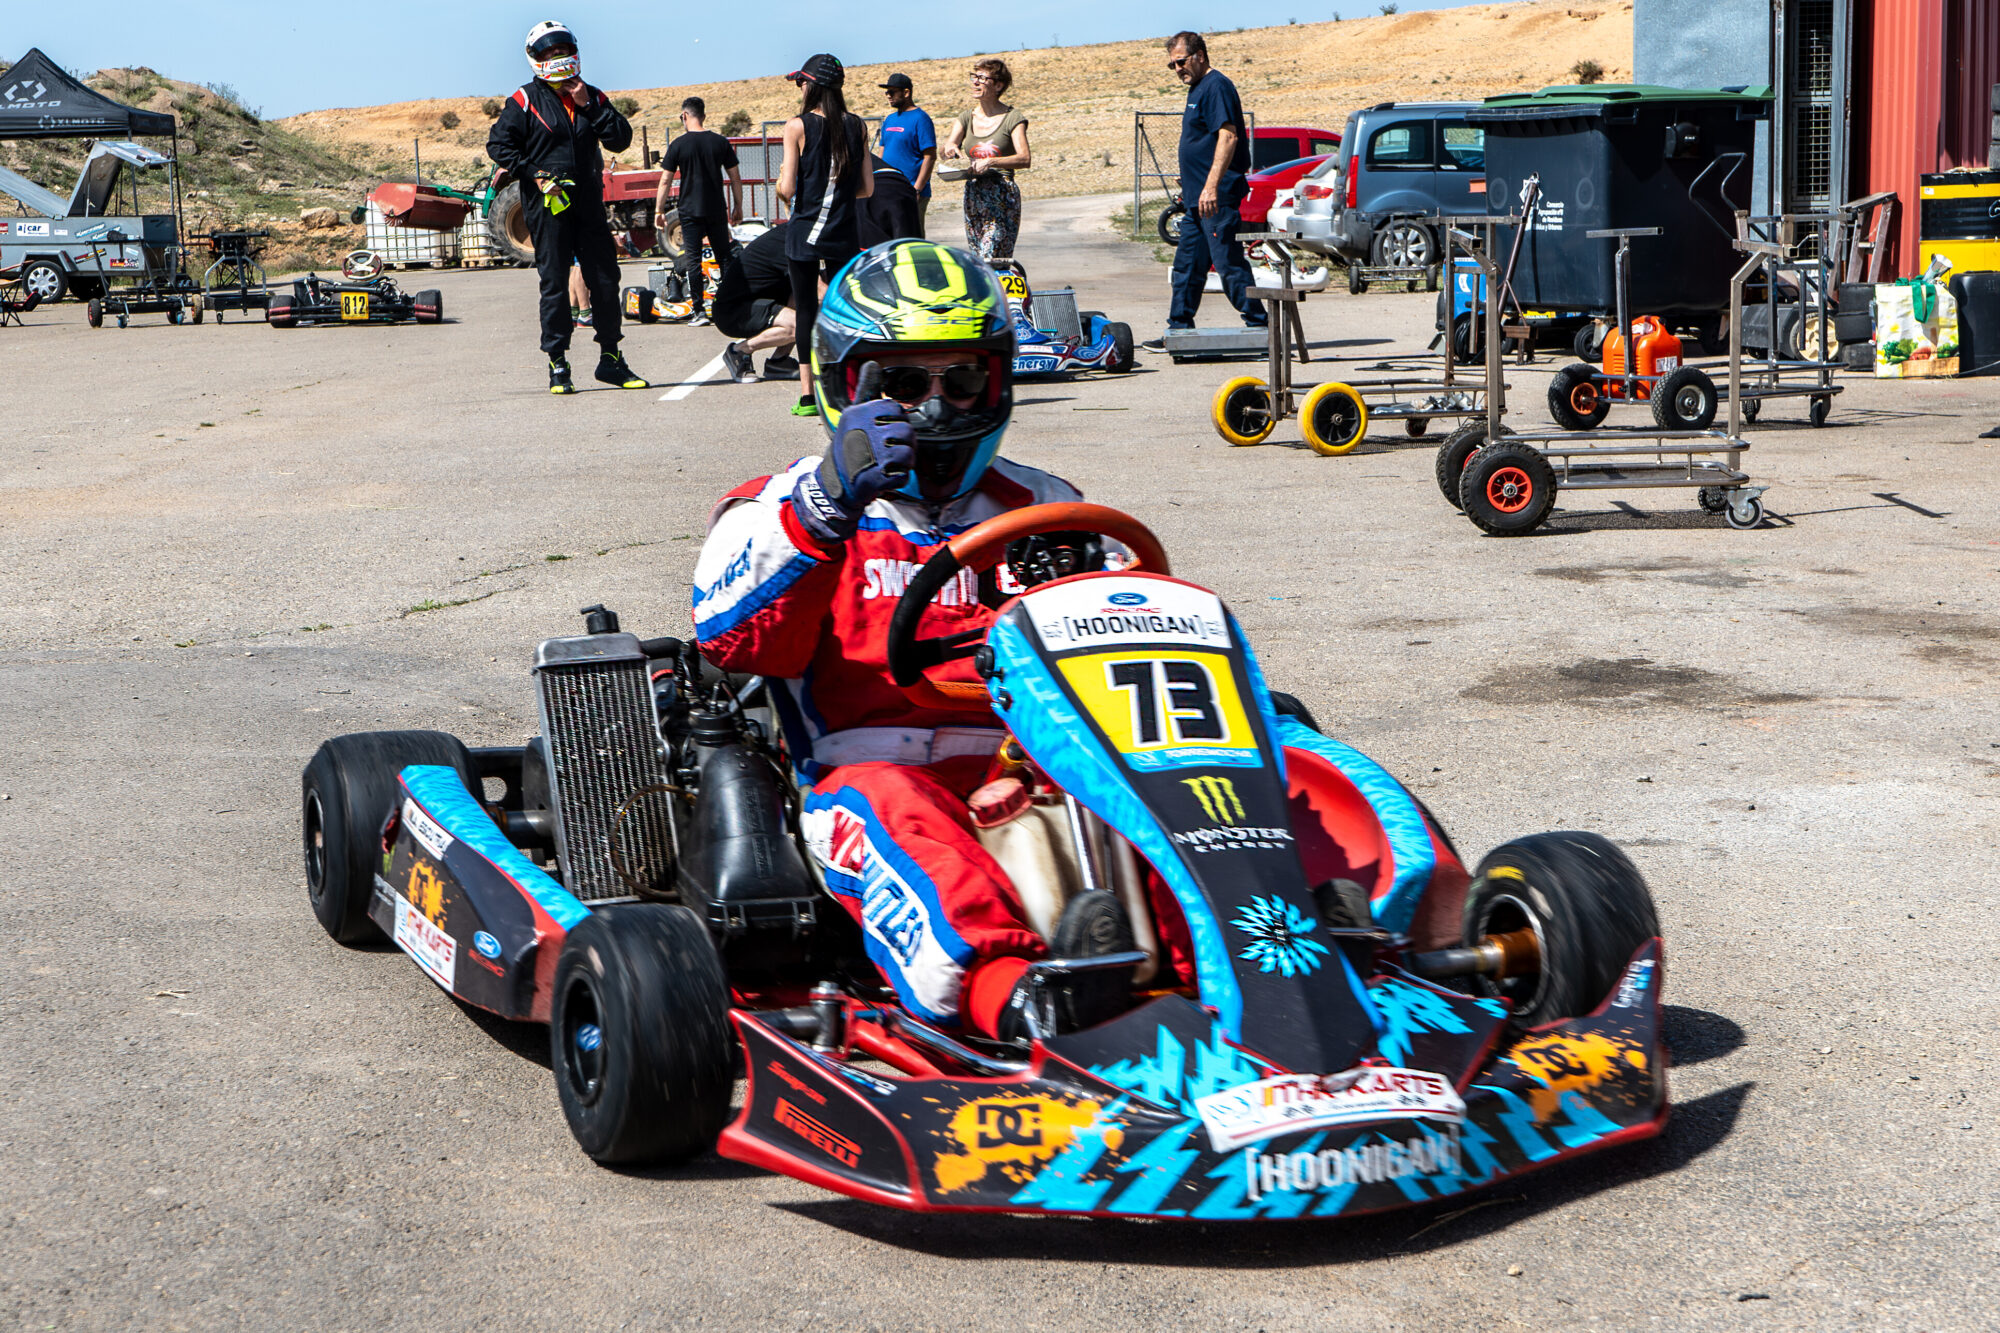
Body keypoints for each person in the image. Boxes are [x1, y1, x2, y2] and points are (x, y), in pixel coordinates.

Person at [691, 239, 1140, 1040]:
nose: (937, 410)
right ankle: (1016, 999)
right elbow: (730, 639)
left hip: (1040, 770)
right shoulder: (783, 505)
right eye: (902, 384)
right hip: (866, 779)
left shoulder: (1046, 506)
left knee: (1223, 761)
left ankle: (1322, 929)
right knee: (893, 808)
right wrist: (828, 505)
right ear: (846, 383)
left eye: (962, 380)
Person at [486, 20, 649, 394]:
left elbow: (620, 140)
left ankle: (611, 360)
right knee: (555, 283)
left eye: (563, 50)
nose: (559, 57)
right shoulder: (524, 100)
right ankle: (558, 364)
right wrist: (534, 174)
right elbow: (498, 146)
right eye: (550, 52)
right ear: (536, 58)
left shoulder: (591, 95)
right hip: (548, 207)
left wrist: (588, 105)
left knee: (605, 280)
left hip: (589, 204)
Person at [1142, 31, 1266, 353]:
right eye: (1172, 65)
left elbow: (1228, 137)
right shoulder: (1196, 89)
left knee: (1228, 264)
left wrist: (1210, 185)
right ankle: (1178, 330)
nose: (1177, 69)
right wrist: (1193, 180)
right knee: (1186, 266)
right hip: (1198, 200)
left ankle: (1262, 331)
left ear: (1199, 55)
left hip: (1216, 198)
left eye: (1181, 61)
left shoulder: (1216, 86)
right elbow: (1203, 144)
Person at [776, 53, 872, 416]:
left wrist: (783, 186)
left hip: (805, 230)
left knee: (805, 309)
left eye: (801, 82)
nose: (799, 88)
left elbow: (787, 188)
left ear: (811, 86)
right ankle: (846, 388)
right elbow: (866, 188)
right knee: (842, 308)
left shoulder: (797, 126)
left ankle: (807, 395)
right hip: (843, 231)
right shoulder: (858, 126)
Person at [652, 96, 742, 328]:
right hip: (716, 209)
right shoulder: (720, 142)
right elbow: (735, 177)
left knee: (693, 260)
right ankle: (729, 308)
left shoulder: (678, 145)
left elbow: (665, 181)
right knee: (724, 257)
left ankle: (699, 312)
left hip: (690, 210)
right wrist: (738, 205)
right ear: (704, 115)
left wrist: (659, 210)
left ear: (684, 116)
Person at [939, 59, 1031, 261]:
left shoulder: (1013, 118)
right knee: (979, 259)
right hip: (974, 194)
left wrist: (991, 161)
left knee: (992, 256)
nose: (975, 82)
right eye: (974, 77)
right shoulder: (966, 117)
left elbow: (1025, 158)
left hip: (1002, 194)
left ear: (998, 85)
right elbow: (945, 148)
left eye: (982, 78)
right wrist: (949, 148)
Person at [714, 223, 799, 384]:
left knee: (804, 300)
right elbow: (820, 288)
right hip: (733, 310)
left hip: (759, 300)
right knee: (800, 325)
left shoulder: (798, 233)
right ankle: (739, 352)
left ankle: (779, 362)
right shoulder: (791, 240)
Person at [875, 73, 936, 236]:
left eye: (892, 92)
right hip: (888, 189)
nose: (888, 96)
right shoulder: (889, 120)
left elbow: (930, 157)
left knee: (912, 239)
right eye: (886, 92)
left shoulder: (921, 119)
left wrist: (917, 189)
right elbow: (882, 151)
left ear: (906, 92)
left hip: (911, 191)